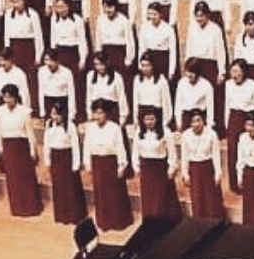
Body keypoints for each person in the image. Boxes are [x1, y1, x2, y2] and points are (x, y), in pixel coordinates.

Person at [0, 84, 44, 218]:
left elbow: (30, 133)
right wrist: (0, 148)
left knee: (25, 178)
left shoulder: (24, 112)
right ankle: (17, 207)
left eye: (10, 97)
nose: (7, 100)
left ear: (16, 97)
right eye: (5, 97)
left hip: (21, 148)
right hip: (8, 148)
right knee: (13, 179)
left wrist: (33, 150)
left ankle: (31, 207)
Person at [84, 98, 132, 230]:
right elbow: (87, 147)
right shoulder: (90, 128)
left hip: (111, 163)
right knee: (101, 193)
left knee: (114, 193)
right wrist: (88, 164)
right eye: (95, 113)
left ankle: (117, 221)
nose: (98, 116)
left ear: (106, 113)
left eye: (101, 113)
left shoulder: (115, 128)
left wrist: (121, 165)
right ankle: (104, 221)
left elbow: (120, 147)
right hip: (97, 163)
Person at [184, 1, 227, 130]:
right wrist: (188, 67)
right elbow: (189, 48)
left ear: (207, 15)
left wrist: (221, 71)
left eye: (202, 16)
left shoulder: (216, 29)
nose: (199, 19)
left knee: (213, 97)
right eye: (197, 16)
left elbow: (220, 51)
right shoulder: (192, 28)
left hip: (210, 66)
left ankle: (214, 127)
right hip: (196, 64)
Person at [223, 59, 254, 193]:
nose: (234, 75)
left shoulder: (253, 85)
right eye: (232, 71)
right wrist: (227, 124)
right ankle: (235, 184)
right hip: (234, 118)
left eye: (237, 72)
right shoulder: (228, 85)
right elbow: (227, 105)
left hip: (249, 118)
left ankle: (249, 184)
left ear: (244, 72)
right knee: (233, 152)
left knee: (249, 151)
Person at [133, 108, 181, 220]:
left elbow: (172, 152)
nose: (149, 122)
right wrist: (136, 167)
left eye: (152, 119)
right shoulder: (138, 132)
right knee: (148, 197)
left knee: (161, 199)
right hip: (146, 170)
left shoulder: (166, 132)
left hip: (160, 169)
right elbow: (135, 152)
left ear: (157, 119)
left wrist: (171, 168)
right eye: (146, 119)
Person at [43, 102, 86, 224]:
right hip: (55, 158)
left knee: (70, 187)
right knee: (58, 186)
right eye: (52, 114)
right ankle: (62, 215)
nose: (54, 117)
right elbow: (46, 144)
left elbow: (75, 146)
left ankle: (74, 215)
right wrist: (47, 160)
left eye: (57, 114)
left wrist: (76, 164)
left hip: (67, 157)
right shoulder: (49, 125)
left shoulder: (70, 126)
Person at [178, 107, 224, 219]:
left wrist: (218, 173)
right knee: (198, 199)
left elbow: (215, 155)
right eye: (193, 121)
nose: (196, 124)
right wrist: (185, 173)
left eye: (198, 120)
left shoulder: (212, 134)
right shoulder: (185, 135)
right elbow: (184, 156)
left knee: (211, 199)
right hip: (195, 170)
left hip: (208, 169)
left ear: (203, 121)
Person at [94, 0, 136, 84]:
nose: (107, 10)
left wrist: (128, 59)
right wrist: (98, 57)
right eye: (105, 7)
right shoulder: (100, 19)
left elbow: (130, 42)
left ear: (116, 6)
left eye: (110, 7)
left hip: (119, 54)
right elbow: (98, 40)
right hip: (106, 54)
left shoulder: (124, 20)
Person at [85, 51, 129, 124]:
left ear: (107, 63)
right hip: (97, 113)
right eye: (96, 64)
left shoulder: (117, 77)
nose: (99, 67)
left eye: (101, 64)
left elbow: (122, 97)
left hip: (111, 113)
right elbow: (89, 97)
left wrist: (123, 117)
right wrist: (89, 115)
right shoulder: (90, 75)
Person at [173, 60, 215, 132]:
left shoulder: (206, 85)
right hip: (186, 117)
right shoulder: (181, 83)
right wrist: (178, 122)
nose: (189, 75)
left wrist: (209, 126)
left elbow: (210, 108)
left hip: (200, 116)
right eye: (187, 72)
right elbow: (178, 104)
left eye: (192, 72)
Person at [38, 48, 77, 124]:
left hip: (62, 102)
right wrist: (42, 112)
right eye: (46, 60)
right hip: (48, 102)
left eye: (51, 60)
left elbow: (71, 93)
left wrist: (71, 114)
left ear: (57, 61)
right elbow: (41, 91)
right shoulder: (41, 71)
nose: (48, 63)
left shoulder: (67, 72)